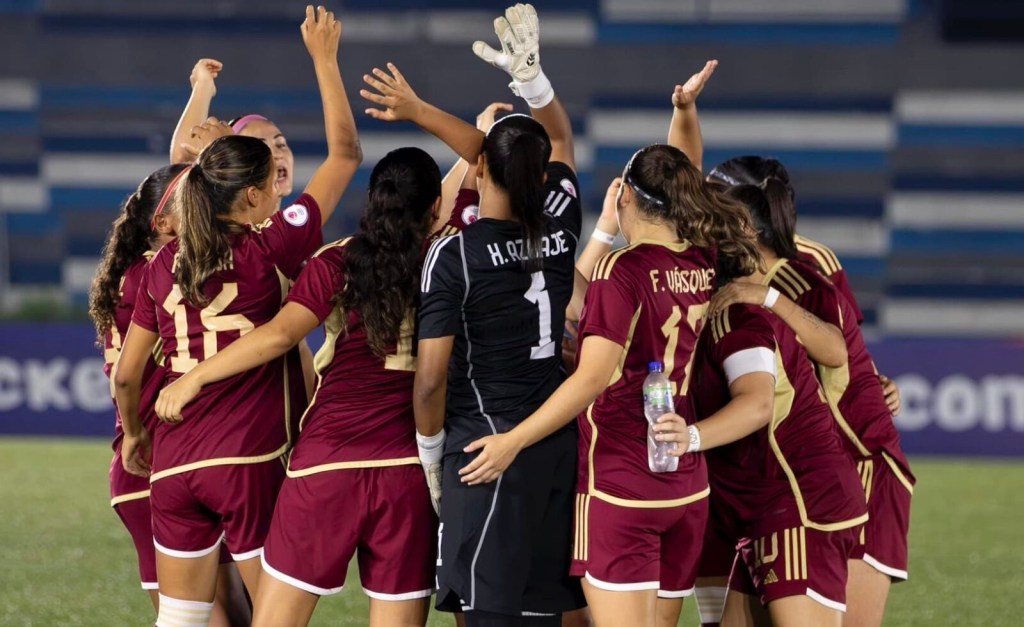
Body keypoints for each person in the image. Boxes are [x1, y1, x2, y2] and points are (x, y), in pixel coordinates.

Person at [113, 7, 360, 625]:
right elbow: (346, 154)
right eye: (271, 180)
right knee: (272, 616)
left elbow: (127, 375)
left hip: (171, 463)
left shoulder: (161, 262)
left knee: (182, 619)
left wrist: (137, 435)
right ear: (251, 196)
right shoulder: (274, 242)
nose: (281, 183)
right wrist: (326, 62)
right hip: (248, 461)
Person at [361, 6, 585, 624]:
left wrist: (432, 455)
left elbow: (431, 379)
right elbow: (558, 141)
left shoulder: (453, 253)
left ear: (480, 167)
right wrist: (535, 86)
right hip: (554, 444)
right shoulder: (562, 220)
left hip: (485, 451)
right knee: (543, 611)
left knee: (484, 612)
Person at [154, 147, 441, 627]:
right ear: (435, 208)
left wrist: (195, 378)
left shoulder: (337, 260)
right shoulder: (446, 263)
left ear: (373, 201)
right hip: (404, 471)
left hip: (324, 465)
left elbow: (281, 334)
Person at [653, 181, 870, 627]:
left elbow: (757, 406)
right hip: (764, 509)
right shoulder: (716, 312)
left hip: (796, 504)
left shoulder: (737, 316)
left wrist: (687, 438)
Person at [707, 182, 915, 627]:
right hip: (781, 487)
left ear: (744, 223)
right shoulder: (726, 286)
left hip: (839, 476)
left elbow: (837, 351)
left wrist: (767, 298)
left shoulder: (796, 279)